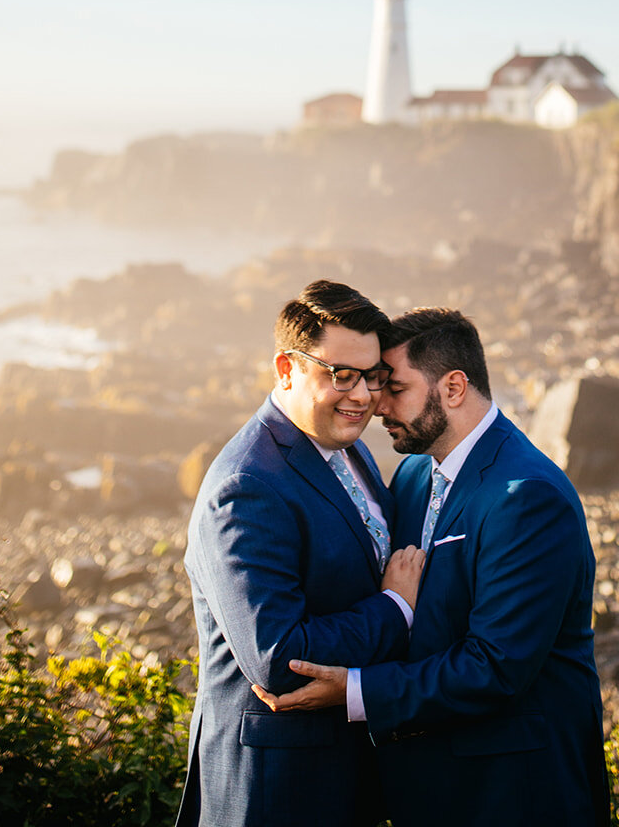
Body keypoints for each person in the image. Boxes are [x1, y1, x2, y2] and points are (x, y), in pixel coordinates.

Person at [254, 306, 610, 827]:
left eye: (393, 387)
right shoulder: (415, 474)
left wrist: (353, 690)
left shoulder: (528, 497)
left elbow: (496, 666)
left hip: (516, 793)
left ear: (454, 387)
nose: (377, 405)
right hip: (428, 790)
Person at [175, 279, 425, 827]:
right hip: (275, 790)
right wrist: (396, 609)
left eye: (372, 375)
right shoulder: (247, 485)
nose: (362, 395)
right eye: (341, 375)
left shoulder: (348, 448)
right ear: (286, 369)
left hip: (345, 772)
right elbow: (279, 657)